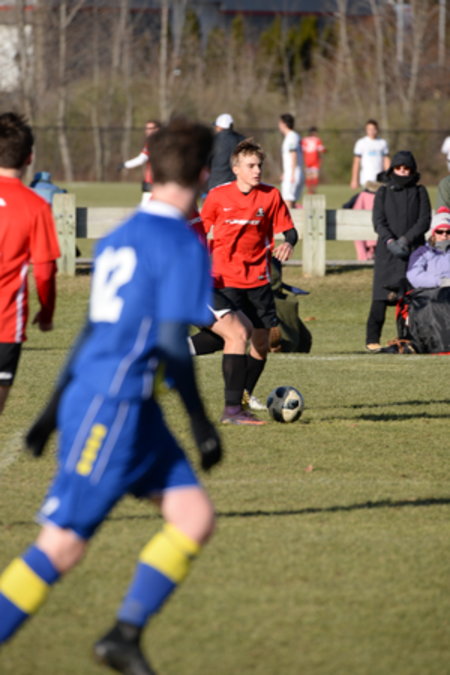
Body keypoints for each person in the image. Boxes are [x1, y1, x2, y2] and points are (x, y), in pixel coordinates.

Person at [0, 119, 223, 675]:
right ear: (203, 175)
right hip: (113, 406)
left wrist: (50, 412)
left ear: (151, 169)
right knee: (61, 546)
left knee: (193, 516)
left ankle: (124, 636)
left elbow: (91, 332)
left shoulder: (121, 235)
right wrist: (201, 422)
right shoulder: (183, 243)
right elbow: (171, 342)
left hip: (132, 406)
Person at [200, 138, 298, 423]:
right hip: (225, 279)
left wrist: (288, 243)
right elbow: (200, 233)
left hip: (258, 280)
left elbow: (290, 231)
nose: (257, 171)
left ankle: (243, 396)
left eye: (259, 165)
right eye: (251, 166)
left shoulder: (271, 196)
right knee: (232, 337)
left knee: (261, 344)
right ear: (236, 169)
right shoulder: (217, 196)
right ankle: (232, 404)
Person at [0, 112, 60, 415]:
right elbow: (45, 272)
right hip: (5, 324)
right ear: (29, 157)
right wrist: (46, 313)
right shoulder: (36, 206)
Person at [365, 150, 431, 352]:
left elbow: (424, 220)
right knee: (380, 297)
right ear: (392, 169)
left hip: (413, 251)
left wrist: (406, 239)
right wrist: (390, 240)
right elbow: (378, 221)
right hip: (387, 252)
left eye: (406, 168)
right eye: (398, 167)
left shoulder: (420, 191)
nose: (402, 171)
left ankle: (409, 338)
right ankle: (372, 339)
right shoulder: (383, 192)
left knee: (411, 297)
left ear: (412, 170)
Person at [119, 119, 161, 202]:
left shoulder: (153, 143)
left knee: (146, 206)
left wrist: (124, 165)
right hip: (165, 183)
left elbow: (141, 159)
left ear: (158, 129)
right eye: (147, 128)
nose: (148, 131)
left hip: (153, 181)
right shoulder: (169, 142)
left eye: (151, 128)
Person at [407, 209, 450, 288]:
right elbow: (414, 275)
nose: (444, 235)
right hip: (432, 291)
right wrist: (441, 281)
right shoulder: (422, 252)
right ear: (433, 234)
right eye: (440, 232)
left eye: (448, 232)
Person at [207, 113, 245, 191]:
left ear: (219, 127)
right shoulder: (241, 140)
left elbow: (206, 162)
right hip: (236, 184)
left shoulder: (212, 140)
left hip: (215, 183)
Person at [350, 119, 390, 191]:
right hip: (366, 178)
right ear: (366, 130)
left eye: (373, 129)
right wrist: (354, 179)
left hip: (379, 178)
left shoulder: (382, 143)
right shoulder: (361, 143)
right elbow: (356, 162)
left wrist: (389, 176)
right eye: (369, 129)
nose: (371, 131)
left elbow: (386, 161)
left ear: (377, 129)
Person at [278, 113, 304, 208]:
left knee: (287, 202)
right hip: (293, 173)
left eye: (280, 123)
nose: (279, 125)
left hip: (292, 174)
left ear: (284, 124)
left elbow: (293, 154)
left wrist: (291, 174)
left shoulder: (291, 137)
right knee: (291, 202)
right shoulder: (294, 136)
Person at [301, 126, 326, 194]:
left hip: (307, 160)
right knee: (315, 176)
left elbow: (302, 149)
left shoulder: (304, 140)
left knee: (308, 176)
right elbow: (321, 149)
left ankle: (309, 191)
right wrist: (325, 150)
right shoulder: (317, 140)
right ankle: (313, 190)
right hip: (315, 159)